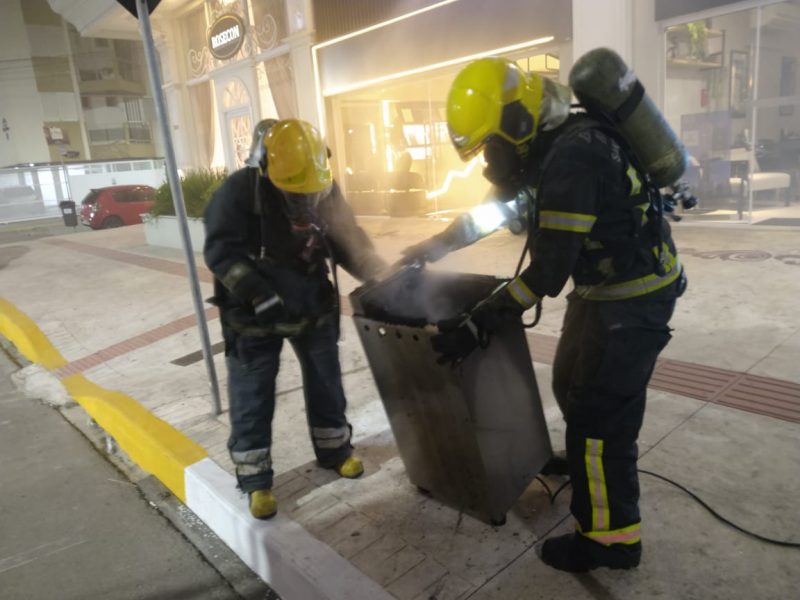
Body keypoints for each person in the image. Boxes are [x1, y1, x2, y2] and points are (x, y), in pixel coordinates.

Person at [402, 57, 687, 572]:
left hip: (634, 296)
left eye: (489, 145)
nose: (488, 160)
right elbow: (494, 212)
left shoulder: (574, 158)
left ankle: (612, 540)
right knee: (569, 382)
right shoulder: (543, 147)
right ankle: (590, 469)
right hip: (604, 289)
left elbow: (547, 274)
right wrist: (433, 247)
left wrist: (480, 320)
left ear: (515, 121)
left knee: (599, 418)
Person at [204, 118, 387, 520]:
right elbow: (220, 252)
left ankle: (335, 450)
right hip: (252, 316)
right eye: (294, 194)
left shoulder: (324, 186)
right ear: (267, 171)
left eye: (311, 193)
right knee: (252, 393)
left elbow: (347, 238)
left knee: (326, 381)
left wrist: (378, 272)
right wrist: (256, 293)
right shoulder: (239, 193)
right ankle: (255, 480)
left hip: (310, 303)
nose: (305, 203)